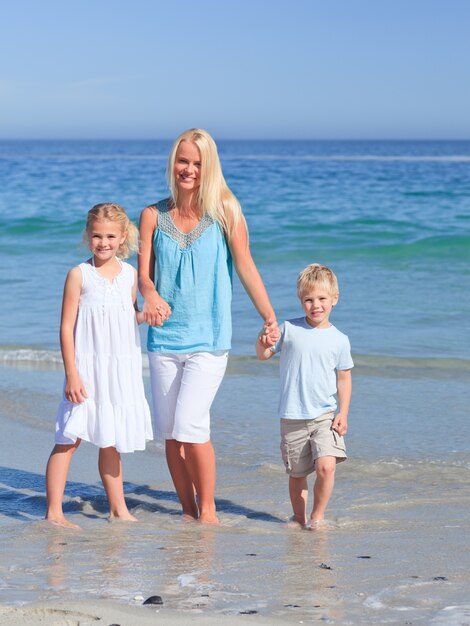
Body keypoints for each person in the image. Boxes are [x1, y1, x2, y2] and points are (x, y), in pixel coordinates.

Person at [139, 128, 278, 524]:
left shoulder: (225, 211)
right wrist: (148, 294)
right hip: (163, 339)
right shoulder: (152, 215)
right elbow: (144, 276)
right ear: (173, 162)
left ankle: (209, 510)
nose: (189, 169)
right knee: (169, 433)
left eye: (198, 163)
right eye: (183, 161)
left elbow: (246, 265)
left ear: (209, 167)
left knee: (190, 426)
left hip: (209, 339)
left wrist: (268, 315)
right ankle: (187, 510)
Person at [45, 203, 153, 529]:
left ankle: (118, 509)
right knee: (69, 437)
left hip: (119, 369)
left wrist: (145, 316)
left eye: (110, 236)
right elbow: (66, 327)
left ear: (122, 238)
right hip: (86, 370)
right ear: (88, 236)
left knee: (111, 437)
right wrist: (71, 374)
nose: (103, 242)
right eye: (96, 236)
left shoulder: (130, 274)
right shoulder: (79, 275)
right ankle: (54, 513)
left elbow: (127, 316)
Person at [256, 263, 353, 529]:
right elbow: (263, 354)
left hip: (325, 416)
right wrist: (263, 339)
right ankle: (298, 518)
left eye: (322, 299)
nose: (316, 305)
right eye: (309, 300)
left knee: (326, 467)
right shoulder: (289, 330)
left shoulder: (340, 339)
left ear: (334, 299)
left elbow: (344, 378)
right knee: (297, 474)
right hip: (292, 417)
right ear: (301, 301)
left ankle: (317, 516)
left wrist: (343, 413)